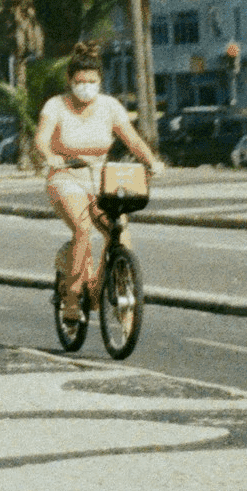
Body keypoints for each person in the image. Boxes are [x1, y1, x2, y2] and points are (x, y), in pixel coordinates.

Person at [36, 41, 160, 337]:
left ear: (100, 82)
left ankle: (119, 292)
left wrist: (152, 161)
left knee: (120, 233)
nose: (86, 88)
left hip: (101, 178)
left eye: (92, 82)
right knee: (82, 229)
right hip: (66, 177)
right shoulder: (56, 106)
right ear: (69, 80)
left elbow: (132, 139)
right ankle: (71, 299)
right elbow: (40, 139)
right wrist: (51, 157)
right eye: (80, 82)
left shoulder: (110, 106)